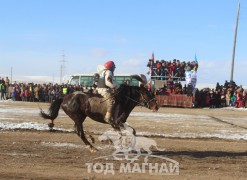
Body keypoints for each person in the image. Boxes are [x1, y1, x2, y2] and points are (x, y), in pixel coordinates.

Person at [97, 60, 117, 125]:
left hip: (103, 88)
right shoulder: (108, 72)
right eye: (113, 67)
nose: (114, 68)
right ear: (110, 67)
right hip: (104, 89)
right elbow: (108, 82)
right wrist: (114, 87)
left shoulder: (104, 71)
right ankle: (107, 118)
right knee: (112, 100)